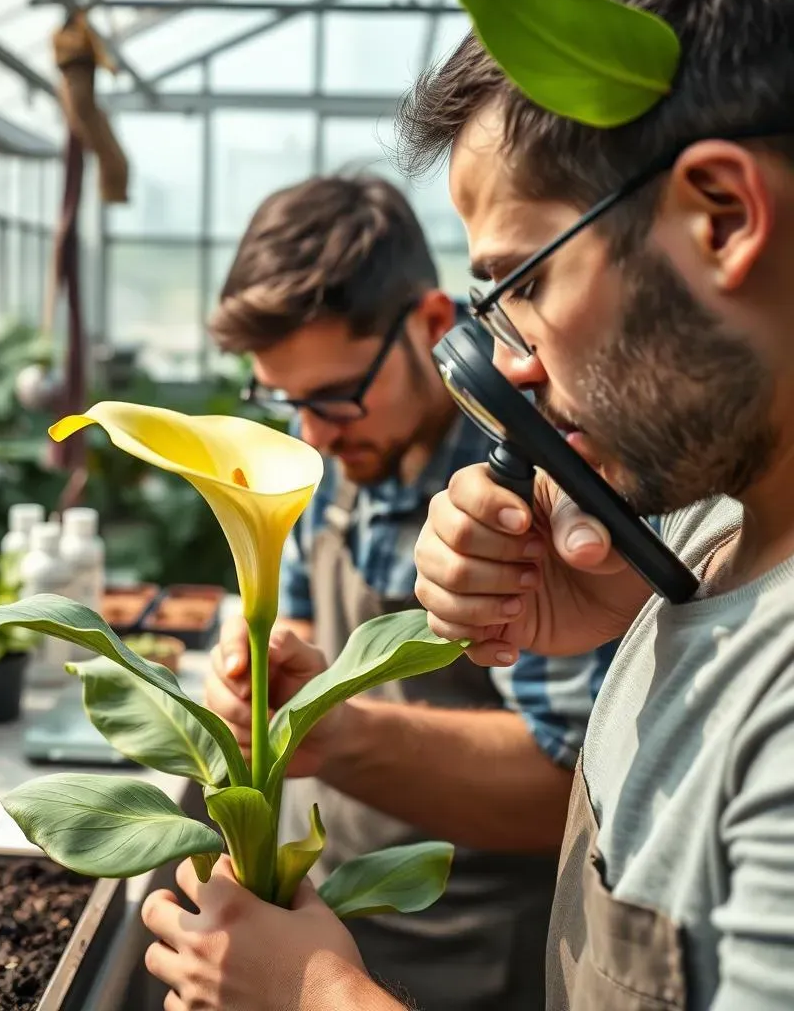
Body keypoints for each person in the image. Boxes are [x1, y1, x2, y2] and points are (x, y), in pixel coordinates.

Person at [140, 0, 794, 1009]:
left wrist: (313, 994)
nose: (506, 366)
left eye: (520, 283)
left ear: (720, 218)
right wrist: (629, 614)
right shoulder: (714, 530)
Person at [144, 174, 617, 1010]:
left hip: (467, 962)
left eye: (334, 396)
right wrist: (268, 673)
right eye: (286, 399)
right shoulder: (328, 448)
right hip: (325, 918)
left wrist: (332, 734)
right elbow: (295, 621)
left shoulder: (528, 483)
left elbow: (575, 792)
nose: (313, 431)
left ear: (435, 324)